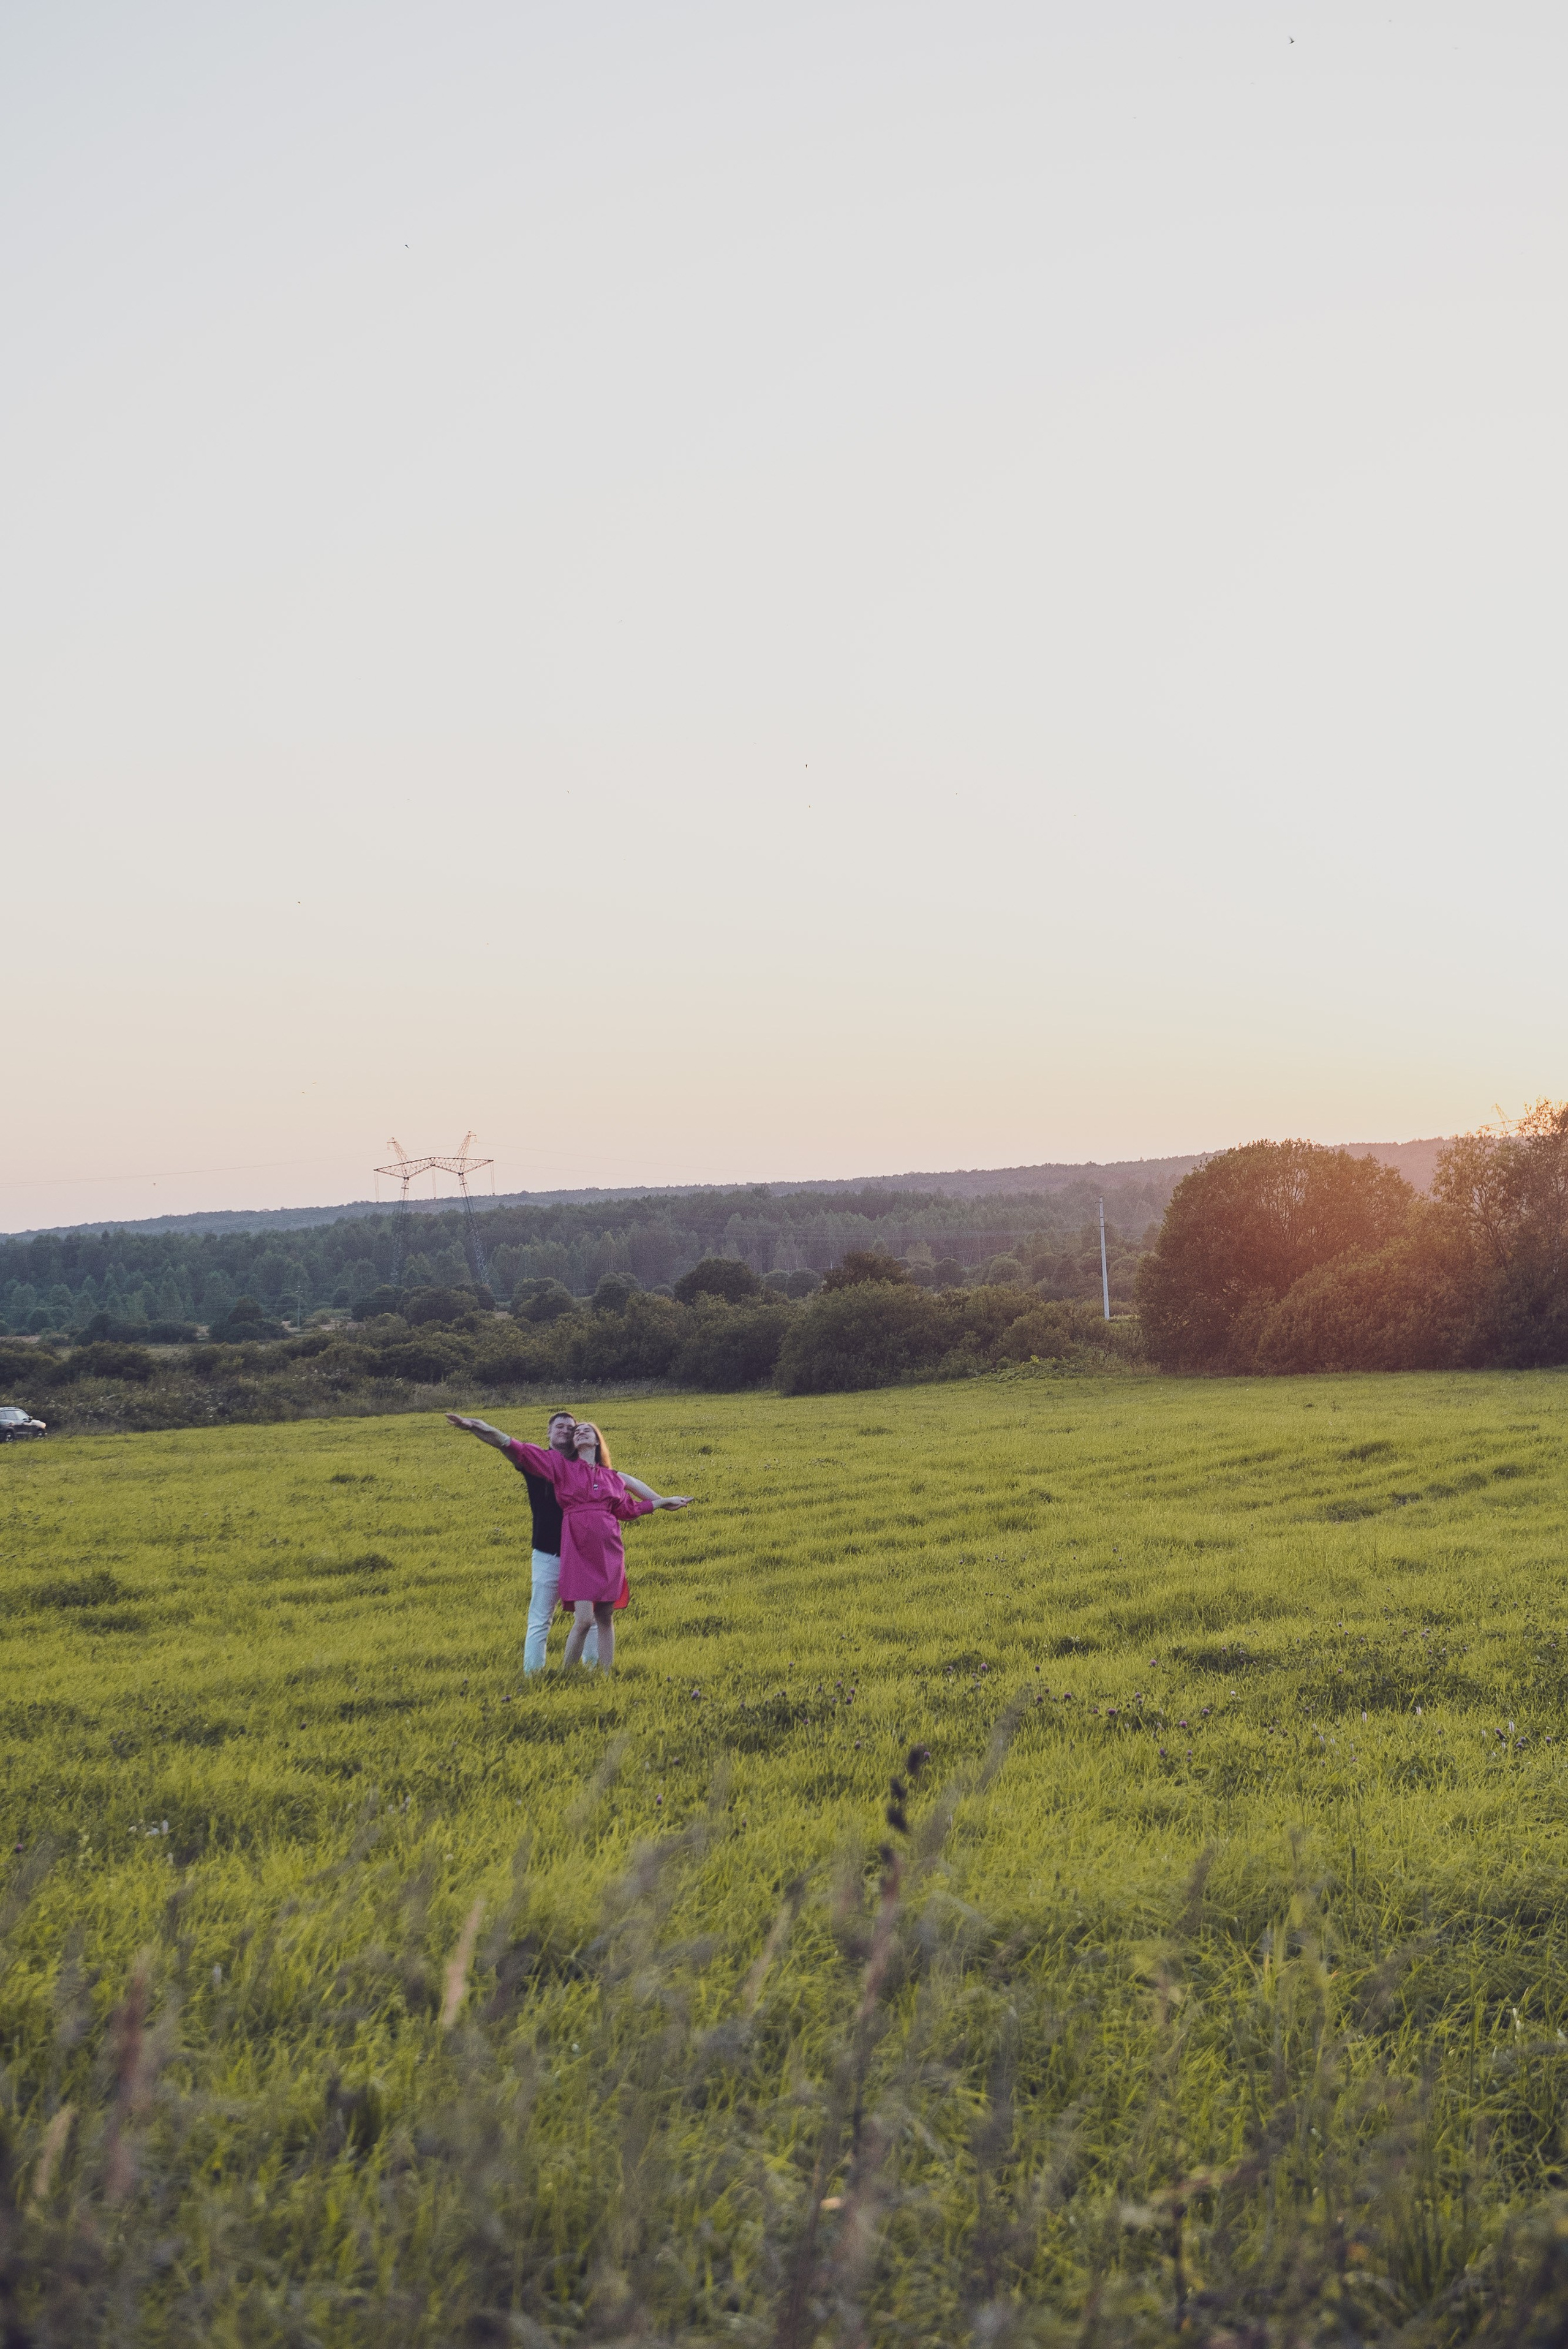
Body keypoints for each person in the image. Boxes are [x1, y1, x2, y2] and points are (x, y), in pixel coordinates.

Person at [447, 1408, 690, 1670]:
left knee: (602, 1618)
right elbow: (511, 1445)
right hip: (563, 1551)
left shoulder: (611, 1476)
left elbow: (630, 1505)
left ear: (597, 1441)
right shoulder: (558, 1466)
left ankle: (599, 1672)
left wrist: (664, 1501)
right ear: (555, 1435)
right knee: (566, 1619)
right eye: (570, 1429)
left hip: (605, 1552)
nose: (575, 1432)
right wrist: (477, 1426)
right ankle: (550, 1674)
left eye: (581, 1429)